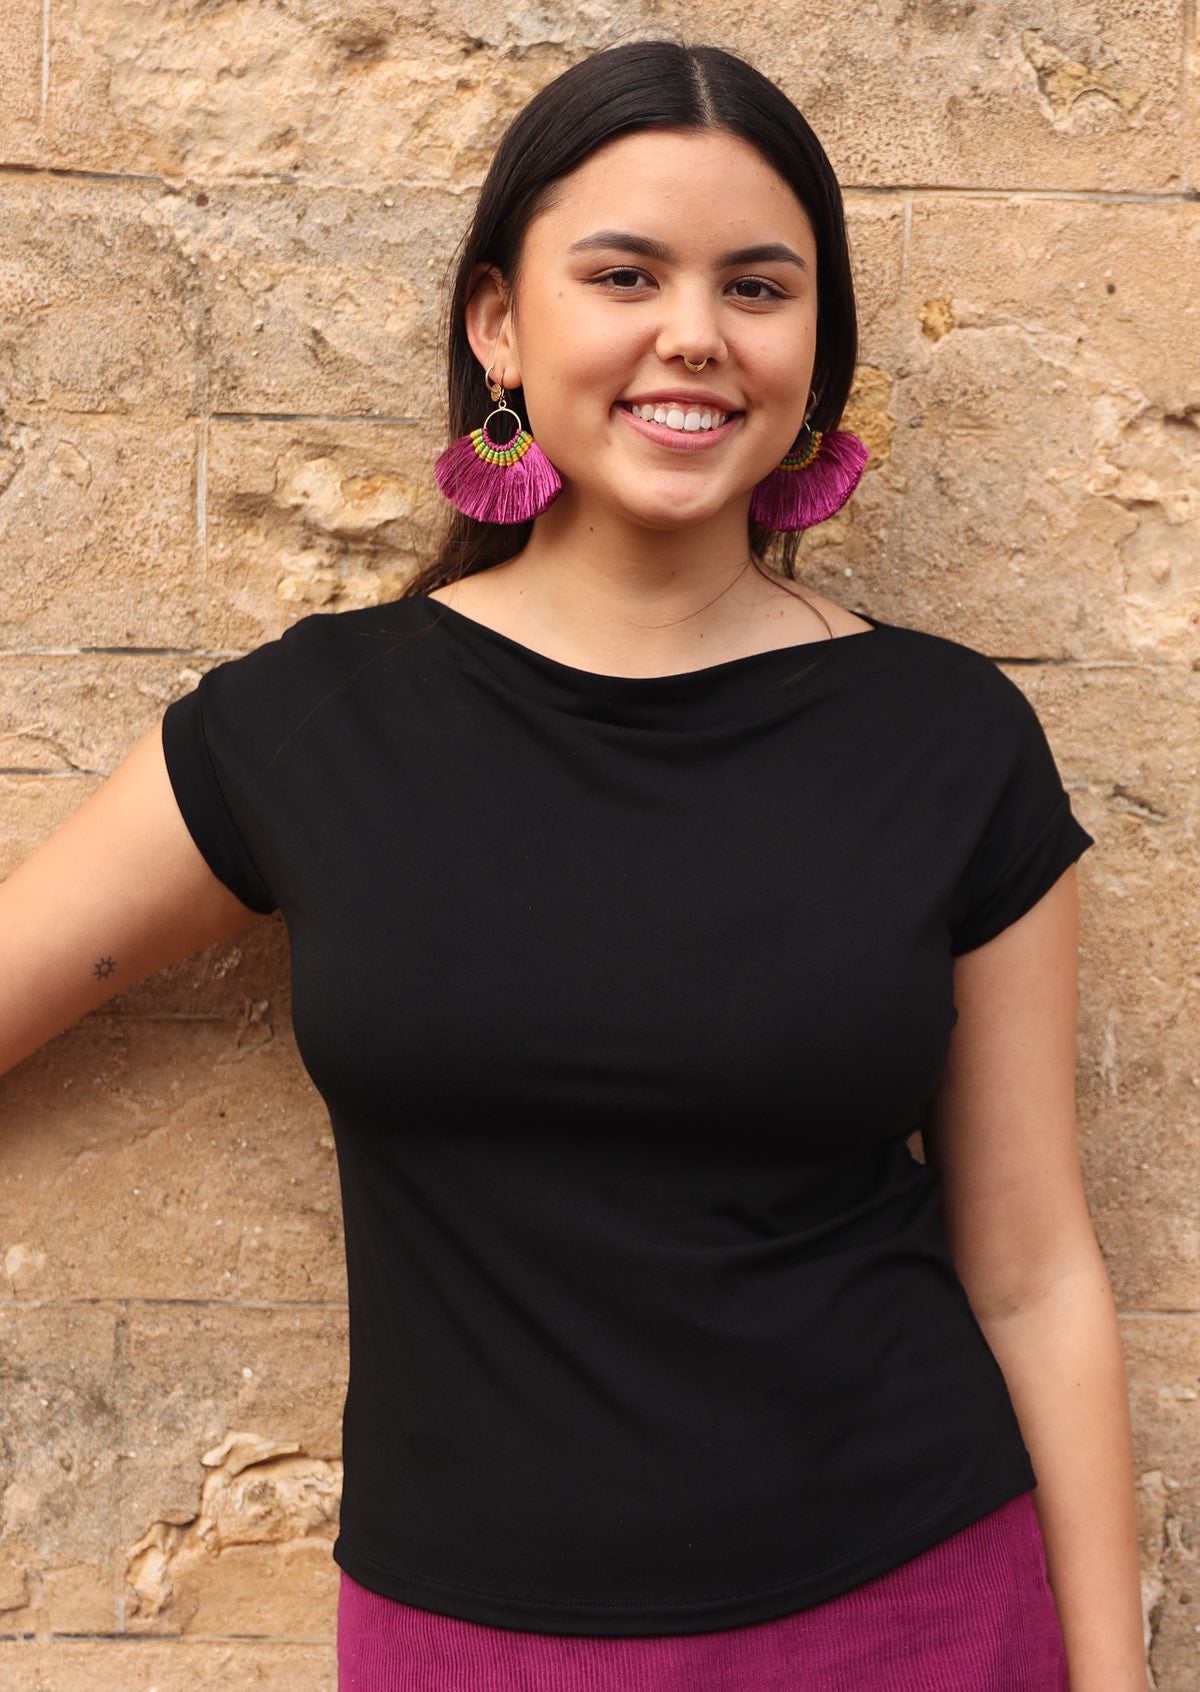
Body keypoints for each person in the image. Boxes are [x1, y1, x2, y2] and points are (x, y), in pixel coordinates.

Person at [3, 38, 1150, 1692]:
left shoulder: (948, 740)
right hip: (468, 1641)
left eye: (759, 286)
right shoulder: (316, 727)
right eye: (624, 273)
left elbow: (1037, 1273)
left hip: (904, 1613)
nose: (693, 332)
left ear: (814, 349)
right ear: (498, 325)